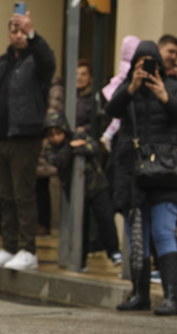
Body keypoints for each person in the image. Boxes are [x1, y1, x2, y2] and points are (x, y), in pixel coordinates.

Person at [105, 40, 177, 315]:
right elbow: (110, 110)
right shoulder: (128, 90)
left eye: (150, 63)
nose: (146, 69)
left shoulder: (171, 87)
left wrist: (165, 97)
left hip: (164, 172)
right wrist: (132, 86)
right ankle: (141, 294)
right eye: (140, 64)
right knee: (138, 235)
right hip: (132, 173)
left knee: (163, 230)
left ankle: (172, 296)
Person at [0, 8, 56, 272]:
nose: (18, 35)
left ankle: (28, 250)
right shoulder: (3, 62)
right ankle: (9, 246)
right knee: (5, 195)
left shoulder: (36, 61)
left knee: (23, 194)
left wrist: (33, 33)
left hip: (24, 136)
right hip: (0, 139)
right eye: (14, 31)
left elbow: (49, 62)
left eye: (22, 31)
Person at [42, 111, 121, 272]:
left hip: (96, 185)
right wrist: (71, 148)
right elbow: (58, 160)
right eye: (52, 135)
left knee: (106, 218)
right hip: (75, 192)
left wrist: (79, 145)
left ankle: (113, 252)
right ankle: (81, 258)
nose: (56, 138)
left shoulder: (79, 135)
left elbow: (93, 147)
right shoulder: (51, 149)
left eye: (59, 133)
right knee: (80, 225)